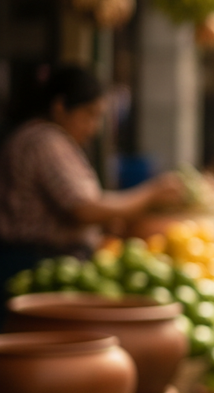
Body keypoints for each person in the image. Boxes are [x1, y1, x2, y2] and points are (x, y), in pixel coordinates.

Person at [0, 66, 181, 292]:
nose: (94, 127)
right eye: (89, 114)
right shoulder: (45, 141)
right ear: (60, 107)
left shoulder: (48, 139)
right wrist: (152, 193)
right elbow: (84, 208)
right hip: (33, 264)